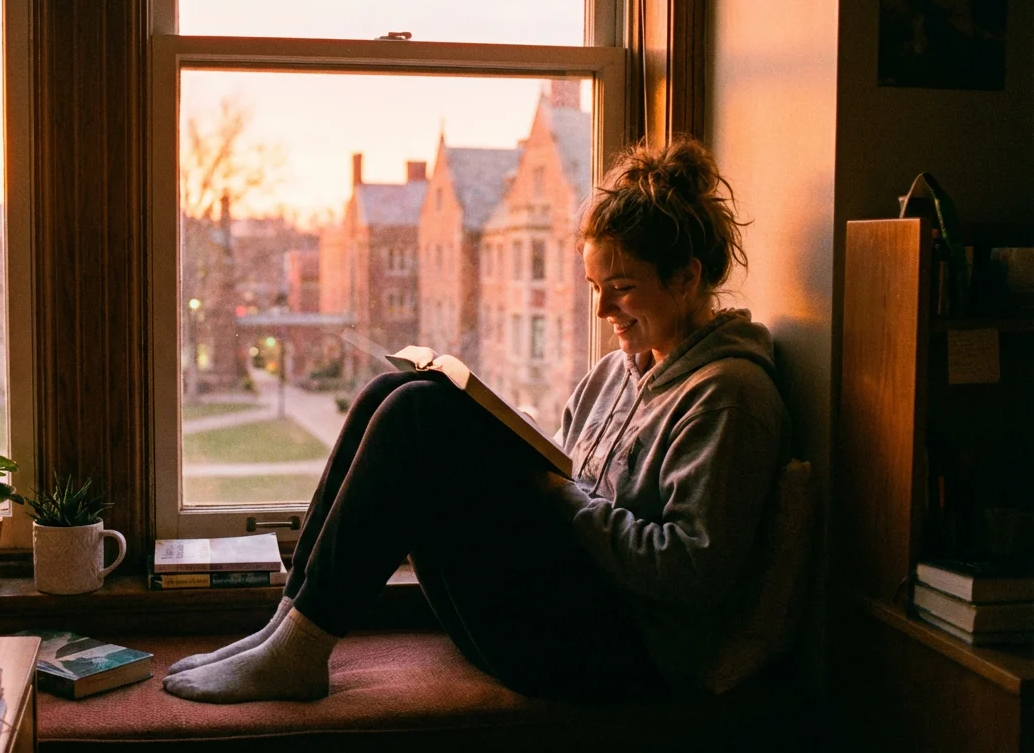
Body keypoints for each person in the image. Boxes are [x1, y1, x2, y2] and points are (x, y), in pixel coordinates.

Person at [163, 136, 790, 704]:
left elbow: (690, 574)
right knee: (399, 386)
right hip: (555, 618)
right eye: (595, 285)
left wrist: (556, 494)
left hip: (615, 658)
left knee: (421, 414)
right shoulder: (612, 377)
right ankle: (289, 628)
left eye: (621, 287)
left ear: (687, 277)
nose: (603, 309)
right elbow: (567, 489)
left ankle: (297, 653)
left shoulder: (729, 396)